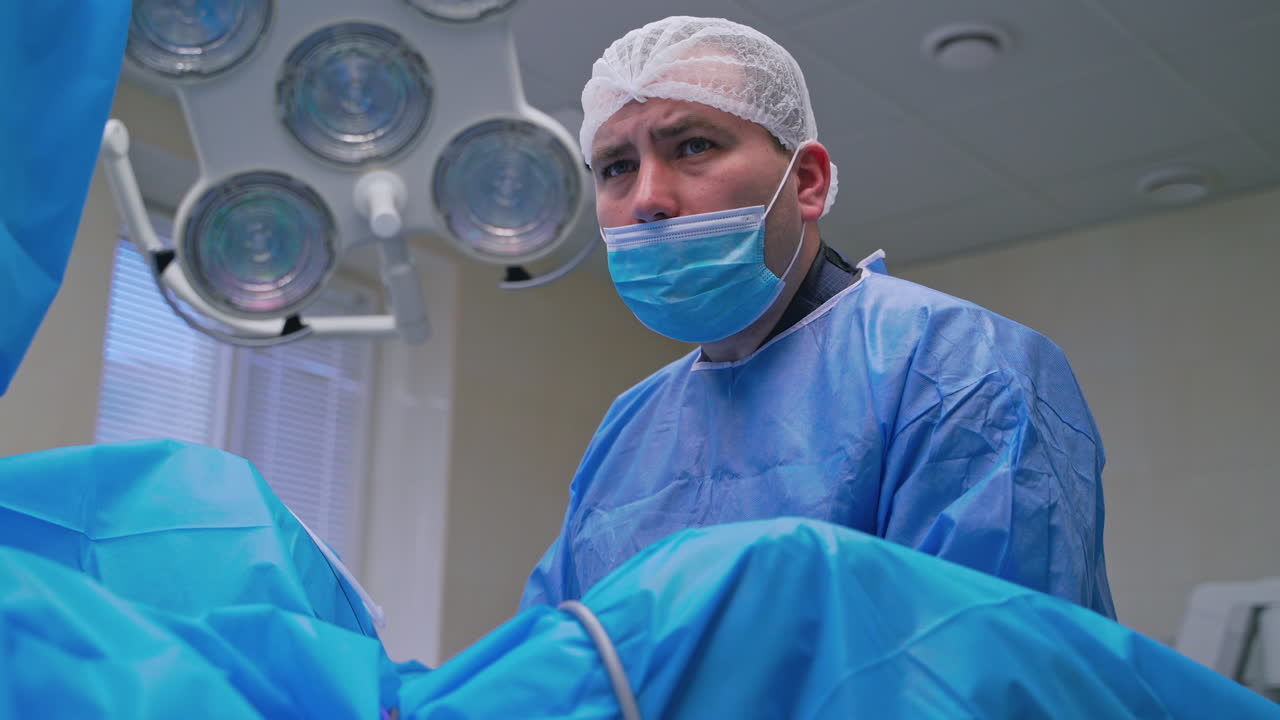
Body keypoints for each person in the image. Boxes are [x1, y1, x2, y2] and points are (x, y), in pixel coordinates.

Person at [520, 15, 1116, 618]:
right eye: (617, 167)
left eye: (694, 146)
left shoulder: (956, 371)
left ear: (806, 181)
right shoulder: (629, 430)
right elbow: (557, 652)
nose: (648, 198)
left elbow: (990, 655)